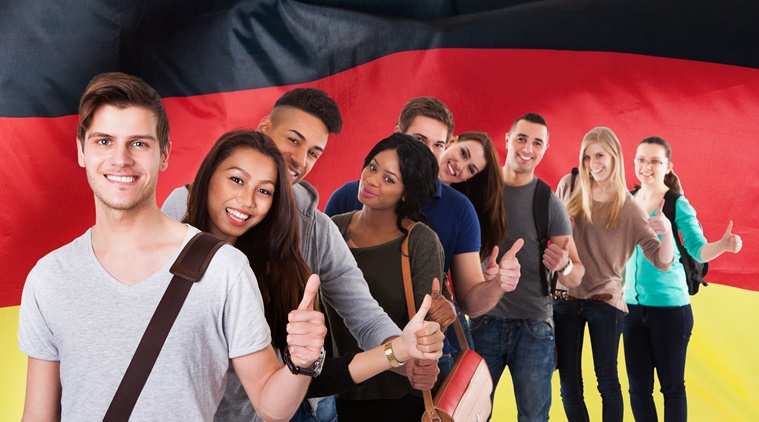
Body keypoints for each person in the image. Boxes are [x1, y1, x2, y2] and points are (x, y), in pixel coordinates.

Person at [17, 72, 326, 421]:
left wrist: (303, 362)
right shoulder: (49, 277)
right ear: (81, 151)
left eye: (139, 143)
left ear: (164, 154)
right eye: (104, 141)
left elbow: (272, 408)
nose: (121, 159)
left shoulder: (225, 270)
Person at [161, 88, 407, 421]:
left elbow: (362, 311)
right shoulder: (184, 207)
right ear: (264, 129)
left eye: (314, 153)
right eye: (293, 140)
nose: (300, 160)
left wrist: (403, 353)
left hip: (297, 402)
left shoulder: (317, 231)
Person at [325, 98, 522, 381]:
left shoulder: (459, 209)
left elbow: (469, 301)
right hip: (355, 357)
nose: (427, 153)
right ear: (397, 134)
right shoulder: (349, 197)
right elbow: (320, 280)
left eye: (438, 145)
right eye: (418, 139)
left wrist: (498, 284)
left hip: (429, 358)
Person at [470, 112, 584, 422]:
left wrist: (565, 264)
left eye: (537, 142)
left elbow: (577, 276)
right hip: (481, 321)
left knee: (534, 418)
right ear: (507, 140)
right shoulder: (477, 191)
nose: (528, 147)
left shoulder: (549, 202)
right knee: (469, 415)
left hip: (533, 327)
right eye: (521, 138)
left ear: (545, 148)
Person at [554, 127, 674, 422]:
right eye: (587, 156)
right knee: (569, 385)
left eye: (600, 155)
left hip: (605, 303)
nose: (594, 163)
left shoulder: (630, 207)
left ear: (615, 157)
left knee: (607, 382)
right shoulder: (568, 186)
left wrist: (667, 232)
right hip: (564, 298)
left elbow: (662, 262)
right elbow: (547, 233)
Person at [326, 133, 447, 420]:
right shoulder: (332, 229)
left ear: (407, 193)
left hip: (400, 395)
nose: (372, 179)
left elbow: (425, 326)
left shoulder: (420, 241)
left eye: (389, 179)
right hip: (337, 391)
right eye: (372, 167)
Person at [623, 136, 742, 422]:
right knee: (638, 390)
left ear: (668, 166)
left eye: (654, 161)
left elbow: (697, 248)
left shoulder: (677, 203)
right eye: (641, 159)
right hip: (630, 309)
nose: (646, 167)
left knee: (672, 388)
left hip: (670, 310)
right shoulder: (627, 199)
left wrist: (723, 246)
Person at [444, 131, 508, 261]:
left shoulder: (460, 211)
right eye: (463, 153)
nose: (460, 166)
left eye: (471, 169)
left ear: (470, 178)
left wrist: (493, 281)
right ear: (451, 141)